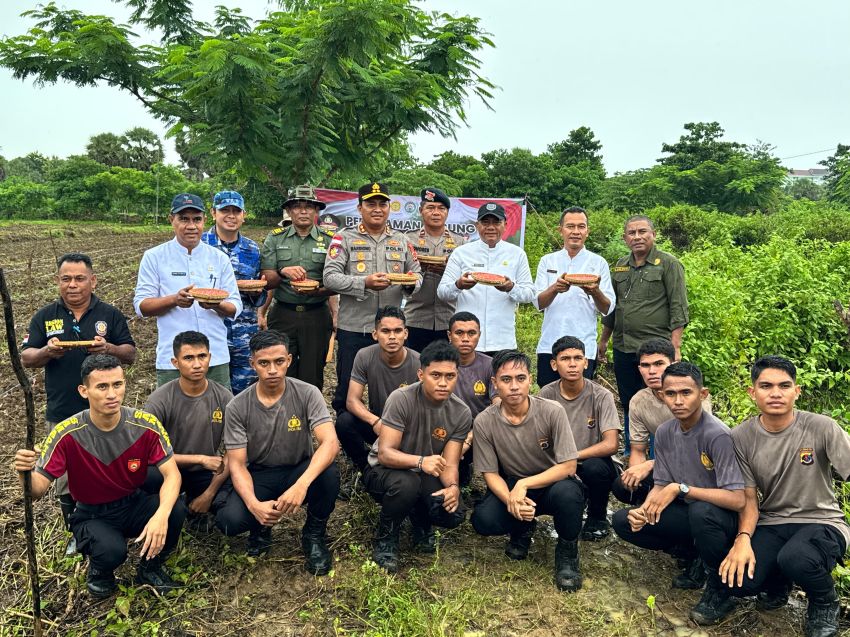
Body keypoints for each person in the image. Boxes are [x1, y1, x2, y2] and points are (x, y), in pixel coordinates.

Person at [13, 355, 186, 597]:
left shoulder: (145, 424)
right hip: (92, 513)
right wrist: (25, 473)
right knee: (112, 551)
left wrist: (161, 516)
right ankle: (99, 571)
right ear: (84, 391)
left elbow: (173, 475)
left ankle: (150, 567)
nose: (112, 394)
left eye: (117, 384)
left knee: (175, 509)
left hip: (132, 501)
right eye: (102, 387)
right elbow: (38, 489)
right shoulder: (67, 433)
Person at [703, 356, 850, 635]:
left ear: (797, 391)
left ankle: (824, 602)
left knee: (797, 558)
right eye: (766, 385)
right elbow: (747, 498)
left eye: (784, 385)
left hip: (822, 520)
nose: (775, 393)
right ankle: (777, 584)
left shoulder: (822, 427)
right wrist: (743, 539)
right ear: (752, 392)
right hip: (773, 520)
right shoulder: (740, 437)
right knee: (740, 581)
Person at [22, 252, 136, 553]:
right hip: (62, 409)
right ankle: (76, 528)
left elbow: (130, 353)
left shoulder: (109, 315)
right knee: (62, 475)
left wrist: (108, 347)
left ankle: (112, 520)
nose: (73, 285)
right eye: (66, 279)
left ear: (93, 280)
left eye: (79, 278)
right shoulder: (45, 316)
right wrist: (47, 352)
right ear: (58, 281)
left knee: (105, 466)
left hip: (104, 411)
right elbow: (26, 357)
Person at [215, 330, 340, 575]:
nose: (272, 370)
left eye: (279, 361)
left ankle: (314, 534)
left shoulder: (307, 393)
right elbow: (238, 464)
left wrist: (302, 484)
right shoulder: (237, 406)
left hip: (297, 469)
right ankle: (260, 527)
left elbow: (330, 443)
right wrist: (253, 505)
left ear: (289, 360)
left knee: (328, 474)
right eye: (264, 363)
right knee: (229, 521)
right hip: (260, 473)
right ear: (252, 364)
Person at [611, 362, 744, 592]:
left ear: (702, 395)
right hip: (687, 508)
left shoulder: (718, 436)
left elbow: (737, 499)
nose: (678, 401)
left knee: (701, 512)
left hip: (718, 516)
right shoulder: (665, 431)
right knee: (624, 522)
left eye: (686, 393)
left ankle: (716, 580)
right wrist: (645, 510)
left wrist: (682, 489)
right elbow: (661, 483)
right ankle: (689, 551)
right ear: (662, 395)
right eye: (670, 394)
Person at [470, 350, 586, 591]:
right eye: (506, 379)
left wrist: (525, 484)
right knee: (483, 520)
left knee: (569, 494)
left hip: (551, 482)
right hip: (512, 484)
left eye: (520, 378)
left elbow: (568, 466)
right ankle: (521, 529)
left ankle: (567, 552)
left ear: (530, 380)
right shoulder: (484, 421)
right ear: (494, 383)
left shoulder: (552, 411)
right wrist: (511, 498)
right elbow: (490, 473)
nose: (514, 386)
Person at [363, 340, 471, 572]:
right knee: (407, 484)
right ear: (421, 374)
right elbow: (385, 454)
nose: (443, 383)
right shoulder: (401, 399)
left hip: (425, 471)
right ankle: (386, 537)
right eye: (436, 375)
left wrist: (453, 487)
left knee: (453, 513)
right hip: (384, 471)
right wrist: (420, 462)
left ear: (457, 376)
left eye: (450, 376)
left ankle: (420, 521)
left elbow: (450, 463)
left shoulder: (461, 412)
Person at [323, 182, 421, 413]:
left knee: (396, 388)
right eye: (370, 204)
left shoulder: (402, 240)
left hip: (391, 331)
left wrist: (408, 284)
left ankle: (391, 433)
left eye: (382, 204)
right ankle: (347, 439)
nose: (377, 209)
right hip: (355, 328)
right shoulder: (343, 238)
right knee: (346, 388)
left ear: (389, 208)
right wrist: (363, 283)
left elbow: (417, 274)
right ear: (359, 208)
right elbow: (330, 278)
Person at [598, 215, 688, 453]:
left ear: (653, 234)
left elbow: (678, 307)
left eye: (642, 231)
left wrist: (675, 346)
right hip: (624, 346)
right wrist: (604, 340)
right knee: (629, 400)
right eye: (631, 233)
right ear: (624, 238)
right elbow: (611, 307)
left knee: (662, 397)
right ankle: (632, 450)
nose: (637, 237)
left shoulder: (668, 264)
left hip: (655, 350)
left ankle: (664, 451)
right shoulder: (619, 265)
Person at [134, 193, 242, 391]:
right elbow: (142, 306)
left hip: (215, 356)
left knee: (218, 415)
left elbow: (235, 305)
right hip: (173, 359)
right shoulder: (154, 257)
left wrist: (216, 304)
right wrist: (174, 300)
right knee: (173, 417)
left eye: (196, 219)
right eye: (184, 219)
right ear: (172, 220)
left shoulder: (219, 258)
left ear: (204, 221)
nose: (191, 226)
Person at [538, 336, 620, 541]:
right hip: (558, 463)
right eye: (565, 359)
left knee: (595, 468)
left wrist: (573, 455)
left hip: (591, 461)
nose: (572, 364)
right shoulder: (546, 394)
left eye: (578, 358)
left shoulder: (601, 395)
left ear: (586, 362)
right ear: (554, 364)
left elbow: (611, 444)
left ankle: (597, 517)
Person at [142, 331, 233, 517]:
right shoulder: (159, 399)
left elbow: (235, 450)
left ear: (210, 357)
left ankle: (198, 507)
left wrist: (209, 494)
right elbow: (147, 454)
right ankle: (172, 508)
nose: (197, 364)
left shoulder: (224, 398)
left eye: (202, 356)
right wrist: (200, 459)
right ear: (175, 363)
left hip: (204, 473)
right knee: (142, 477)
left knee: (231, 504)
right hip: (167, 469)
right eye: (188, 358)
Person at [611, 338, 711, 506]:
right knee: (623, 485)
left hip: (699, 468)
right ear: (639, 369)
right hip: (666, 468)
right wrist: (635, 474)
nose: (652, 371)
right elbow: (638, 449)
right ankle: (648, 512)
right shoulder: (639, 401)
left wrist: (650, 464)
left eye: (659, 364)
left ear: (673, 364)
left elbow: (697, 451)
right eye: (646, 365)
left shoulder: (693, 397)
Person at [260, 184, 337, 390]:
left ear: (317, 211)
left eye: (309, 206)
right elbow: (267, 278)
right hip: (283, 314)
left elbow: (336, 282)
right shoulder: (275, 238)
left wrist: (320, 293)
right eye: (297, 206)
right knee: (280, 371)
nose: (303, 211)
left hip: (316, 315)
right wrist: (283, 270)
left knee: (312, 374)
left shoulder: (331, 241)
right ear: (289, 210)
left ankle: (310, 419)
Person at [437, 203, 535, 354]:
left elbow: (529, 294)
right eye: (485, 222)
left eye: (496, 222)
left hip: (503, 340)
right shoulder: (461, 253)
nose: (491, 227)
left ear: (505, 225)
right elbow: (442, 292)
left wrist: (511, 287)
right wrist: (458, 285)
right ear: (477, 225)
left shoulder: (517, 254)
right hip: (466, 342)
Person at [534, 207, 614, 385]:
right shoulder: (547, 261)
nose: (576, 232)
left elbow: (607, 307)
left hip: (584, 345)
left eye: (581, 226)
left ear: (587, 231)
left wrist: (595, 291)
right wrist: (555, 288)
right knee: (548, 400)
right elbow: (538, 302)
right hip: (549, 344)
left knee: (581, 400)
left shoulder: (598, 262)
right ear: (560, 230)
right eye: (570, 226)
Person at [335, 306, 421, 473]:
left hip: (409, 430)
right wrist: (375, 421)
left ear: (406, 333)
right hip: (379, 423)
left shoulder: (419, 362)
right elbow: (352, 400)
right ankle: (366, 468)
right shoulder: (364, 355)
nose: (392, 337)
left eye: (397, 331)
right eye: (385, 331)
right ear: (375, 334)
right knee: (344, 422)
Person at [202, 190, 266, 393]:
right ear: (213, 213)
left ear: (243, 215)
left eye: (236, 211)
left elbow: (258, 292)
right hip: (209, 329)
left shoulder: (252, 249)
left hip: (244, 332)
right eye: (225, 210)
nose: (231, 216)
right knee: (209, 392)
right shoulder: (199, 245)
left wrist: (257, 292)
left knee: (244, 391)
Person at [403, 187, 465, 352]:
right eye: (430, 208)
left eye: (441, 208)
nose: (436, 212)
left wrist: (447, 271)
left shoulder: (460, 243)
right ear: (421, 210)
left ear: (447, 212)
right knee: (415, 368)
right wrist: (418, 269)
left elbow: (466, 277)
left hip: (449, 318)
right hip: (415, 317)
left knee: (446, 368)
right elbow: (399, 273)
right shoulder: (407, 239)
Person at [446, 311, 496, 485]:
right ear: (449, 335)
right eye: (459, 333)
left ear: (479, 335)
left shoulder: (490, 365)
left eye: (471, 333)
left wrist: (468, 439)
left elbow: (498, 407)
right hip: (444, 430)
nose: (465, 338)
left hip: (479, 430)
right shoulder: (437, 364)